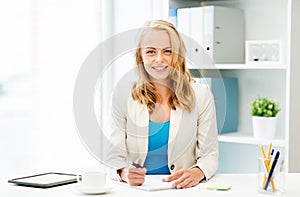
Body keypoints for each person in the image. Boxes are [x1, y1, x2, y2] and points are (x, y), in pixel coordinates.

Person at [103, 19, 218, 189]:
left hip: (184, 190)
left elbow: (210, 155)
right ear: (140, 56)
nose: (159, 59)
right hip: (138, 191)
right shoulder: (122, 95)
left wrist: (197, 172)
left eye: (167, 51)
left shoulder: (201, 95)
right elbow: (112, 157)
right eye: (150, 52)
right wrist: (124, 173)